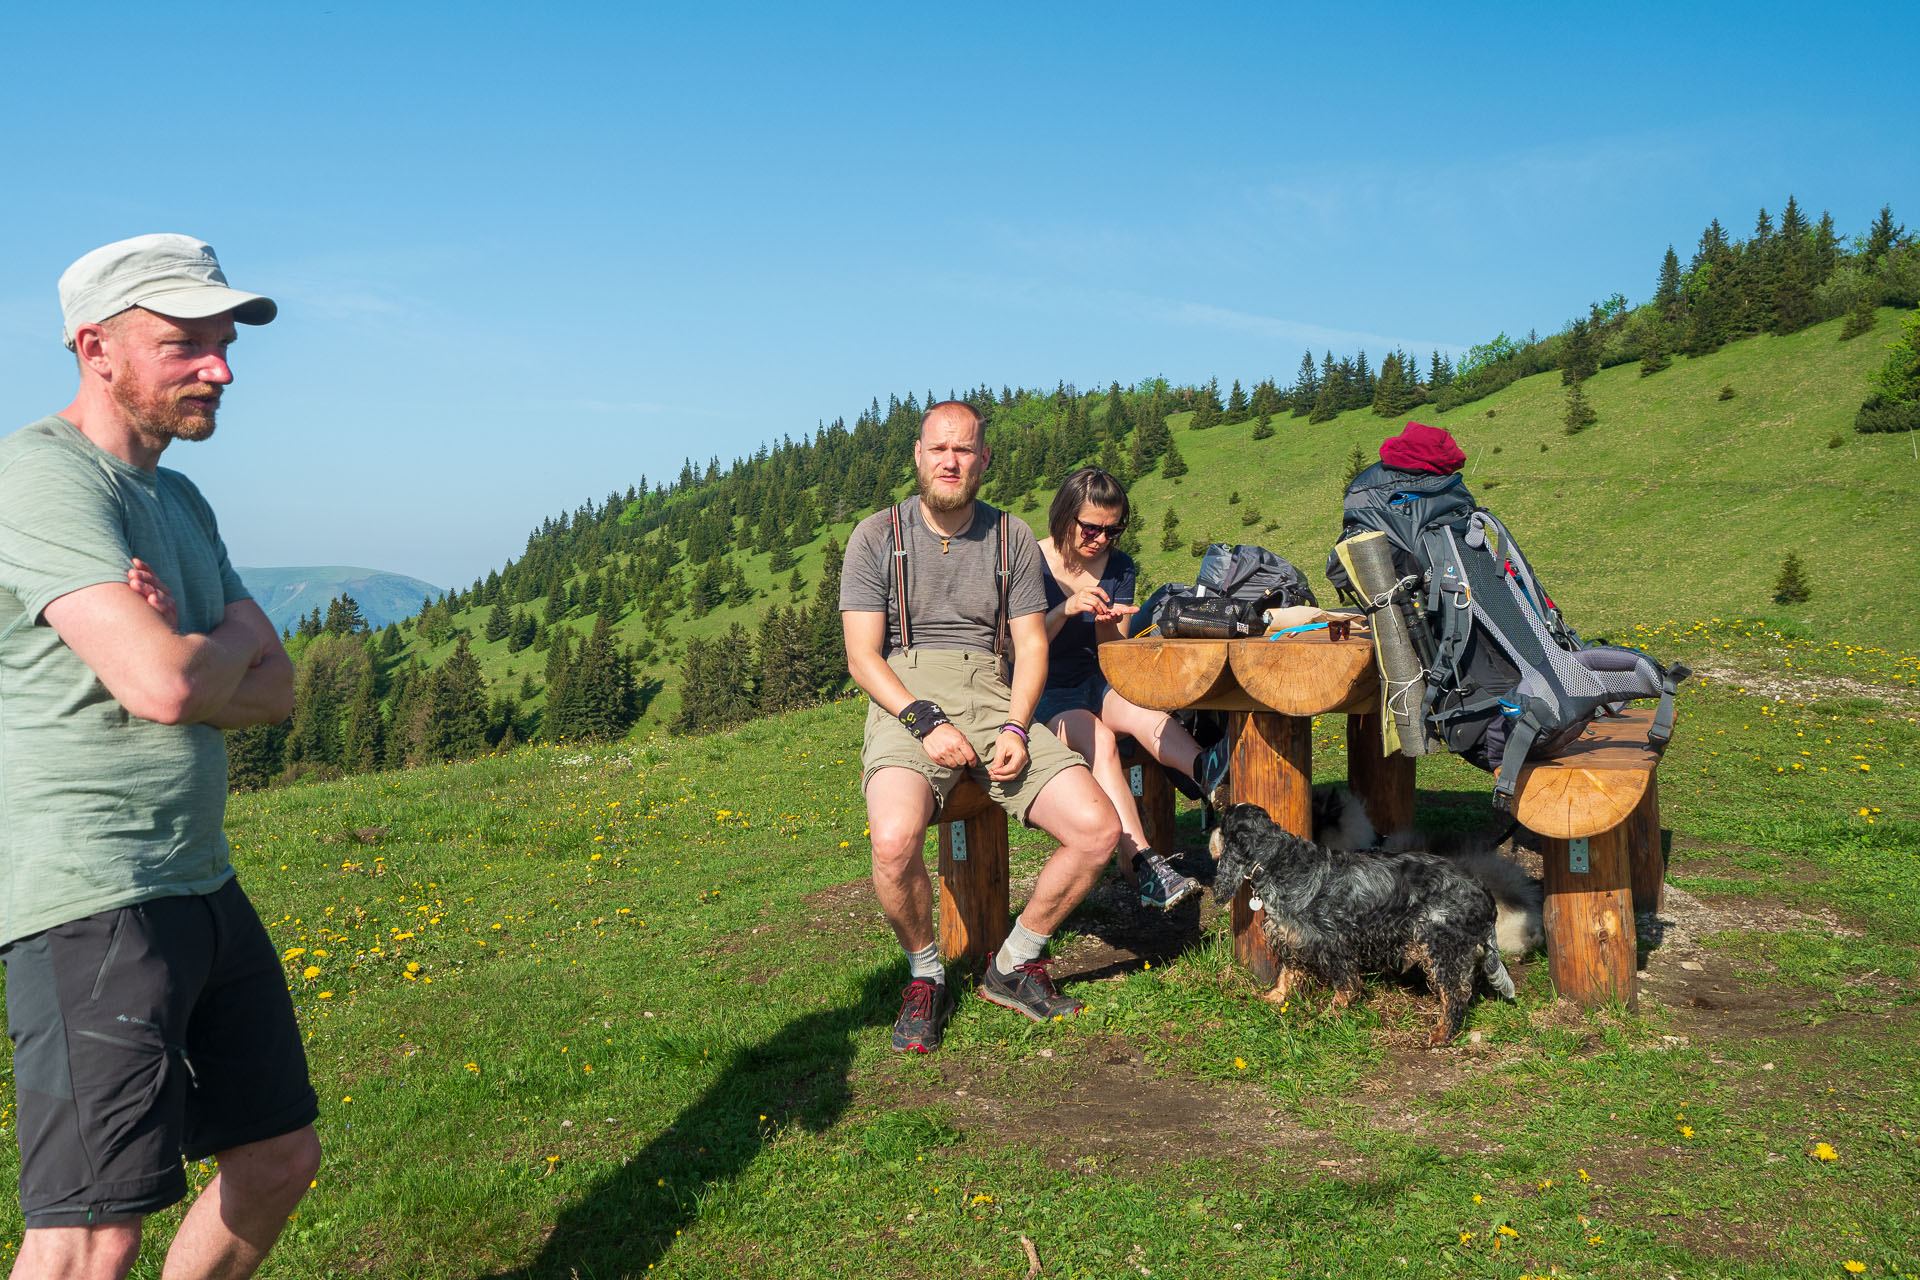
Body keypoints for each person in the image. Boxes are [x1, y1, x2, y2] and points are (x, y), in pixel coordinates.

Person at [0, 235, 320, 1280]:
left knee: (276, 1156)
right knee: (91, 1232)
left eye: (224, 344)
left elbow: (276, 687)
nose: (220, 368)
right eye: (186, 343)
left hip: (198, 873)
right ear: (95, 346)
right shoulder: (39, 479)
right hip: (89, 892)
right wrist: (206, 649)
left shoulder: (178, 502)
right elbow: (169, 687)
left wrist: (187, 638)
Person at [841, 402, 1122, 1054]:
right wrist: (922, 720)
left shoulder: (1012, 537)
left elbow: (1031, 649)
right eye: (939, 448)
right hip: (904, 699)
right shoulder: (875, 537)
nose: (950, 461)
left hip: (994, 696)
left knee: (1097, 828)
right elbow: (863, 657)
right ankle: (926, 973)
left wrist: (1019, 728)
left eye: (964, 450)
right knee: (891, 839)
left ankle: (1015, 960)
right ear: (918, 455)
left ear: (983, 460)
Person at [1030, 467, 1229, 909]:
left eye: (1112, 530)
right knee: (1099, 738)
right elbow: (1017, 647)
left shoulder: (1119, 567)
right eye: (1091, 528)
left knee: (1140, 711)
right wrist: (1065, 609)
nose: (1101, 539)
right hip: (1045, 690)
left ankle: (1208, 775)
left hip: (1098, 678)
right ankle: (1145, 864)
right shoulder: (1031, 562)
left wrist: (1105, 625)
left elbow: (1113, 652)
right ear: (1064, 516)